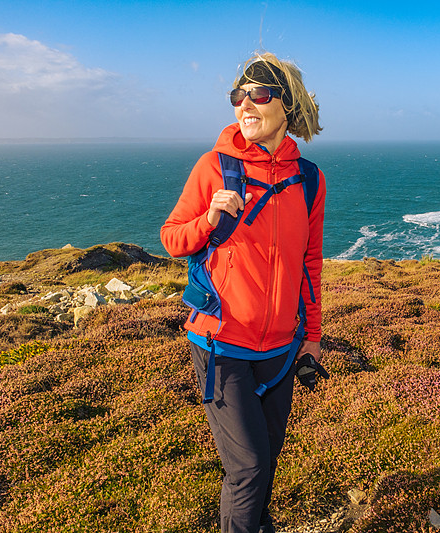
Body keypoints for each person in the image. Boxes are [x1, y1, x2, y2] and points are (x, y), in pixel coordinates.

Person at [160, 52, 325, 533]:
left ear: (286, 105)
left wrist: (311, 337)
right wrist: (208, 219)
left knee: (263, 465)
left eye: (259, 94)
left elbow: (309, 265)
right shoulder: (214, 167)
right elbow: (172, 238)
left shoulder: (308, 179)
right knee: (248, 468)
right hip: (220, 343)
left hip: (280, 348)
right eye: (238, 95)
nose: (245, 104)